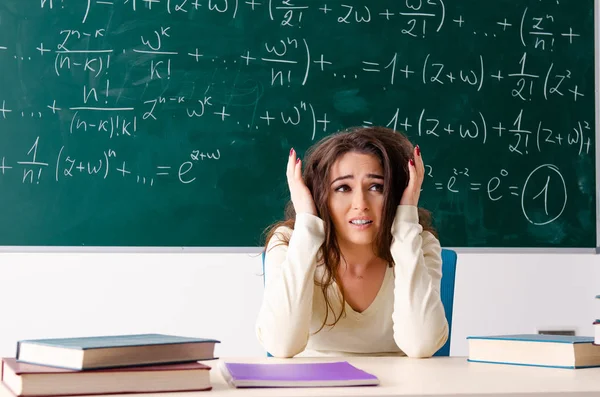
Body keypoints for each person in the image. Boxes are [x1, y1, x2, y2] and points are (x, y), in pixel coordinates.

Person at [255, 126, 448, 358]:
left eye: (377, 187)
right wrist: (307, 224)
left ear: (397, 193)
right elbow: (281, 346)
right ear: (320, 195)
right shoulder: (288, 244)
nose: (360, 203)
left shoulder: (419, 244)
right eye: (343, 188)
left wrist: (406, 221)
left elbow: (422, 345)